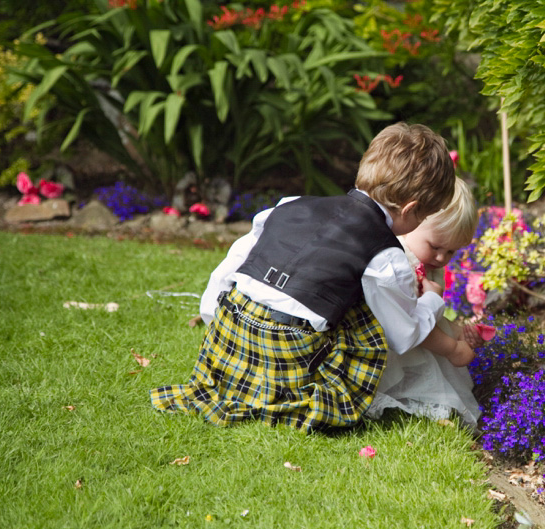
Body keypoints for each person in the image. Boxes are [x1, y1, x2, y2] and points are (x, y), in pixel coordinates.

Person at [150, 122, 473, 433]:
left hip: (228, 336)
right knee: (368, 320)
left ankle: (235, 370)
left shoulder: (288, 205)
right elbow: (402, 335)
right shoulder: (385, 256)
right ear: (410, 209)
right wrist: (431, 298)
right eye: (425, 217)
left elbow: (229, 269)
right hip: (290, 357)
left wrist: (216, 324)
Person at [366, 178, 485, 426]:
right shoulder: (401, 265)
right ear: (412, 223)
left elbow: (431, 317)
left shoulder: (426, 260)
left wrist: (459, 332)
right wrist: (453, 349)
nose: (442, 257)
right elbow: (411, 328)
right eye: (435, 246)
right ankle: (407, 402)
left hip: (411, 335)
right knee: (425, 382)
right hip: (386, 347)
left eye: (451, 252)